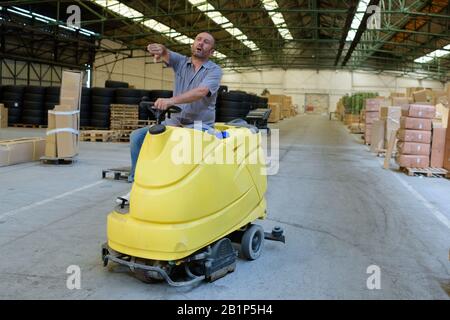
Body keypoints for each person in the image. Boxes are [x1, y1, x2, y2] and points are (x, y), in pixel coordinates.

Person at [117, 32, 223, 204]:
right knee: (137, 137)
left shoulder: (215, 71)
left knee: (181, 150)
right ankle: (136, 186)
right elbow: (166, 53)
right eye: (198, 39)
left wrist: (171, 101)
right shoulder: (181, 62)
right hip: (174, 122)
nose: (201, 43)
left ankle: (183, 193)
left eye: (206, 42)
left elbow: (201, 92)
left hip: (199, 125)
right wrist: (159, 49)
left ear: (211, 51)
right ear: (193, 44)